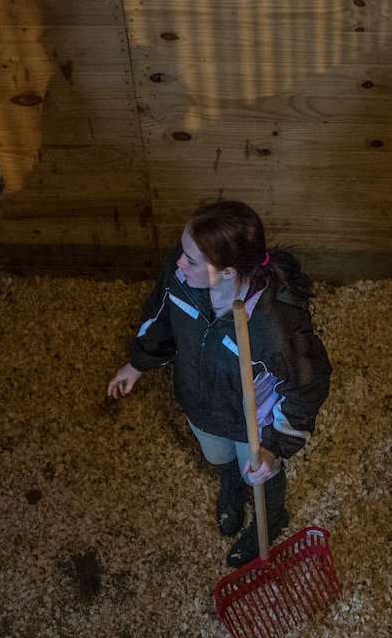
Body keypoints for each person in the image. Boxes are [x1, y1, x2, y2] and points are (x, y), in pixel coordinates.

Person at [107, 201, 332, 567]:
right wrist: (137, 364)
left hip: (252, 425)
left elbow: (308, 387)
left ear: (228, 272)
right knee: (217, 456)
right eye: (183, 250)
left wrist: (274, 447)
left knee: (259, 473)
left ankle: (270, 516)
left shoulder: (273, 326)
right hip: (199, 403)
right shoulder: (182, 279)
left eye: (192, 260)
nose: (179, 262)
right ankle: (231, 482)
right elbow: (160, 317)